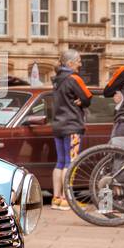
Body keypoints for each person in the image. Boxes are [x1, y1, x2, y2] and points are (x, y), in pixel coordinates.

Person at [49, 49, 92, 210]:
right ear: (70, 63)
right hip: (72, 125)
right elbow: (88, 97)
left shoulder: (56, 79)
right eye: (79, 61)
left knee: (60, 162)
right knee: (71, 162)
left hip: (58, 125)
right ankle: (67, 200)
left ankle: (56, 198)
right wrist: (81, 102)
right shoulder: (74, 78)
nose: (80, 64)